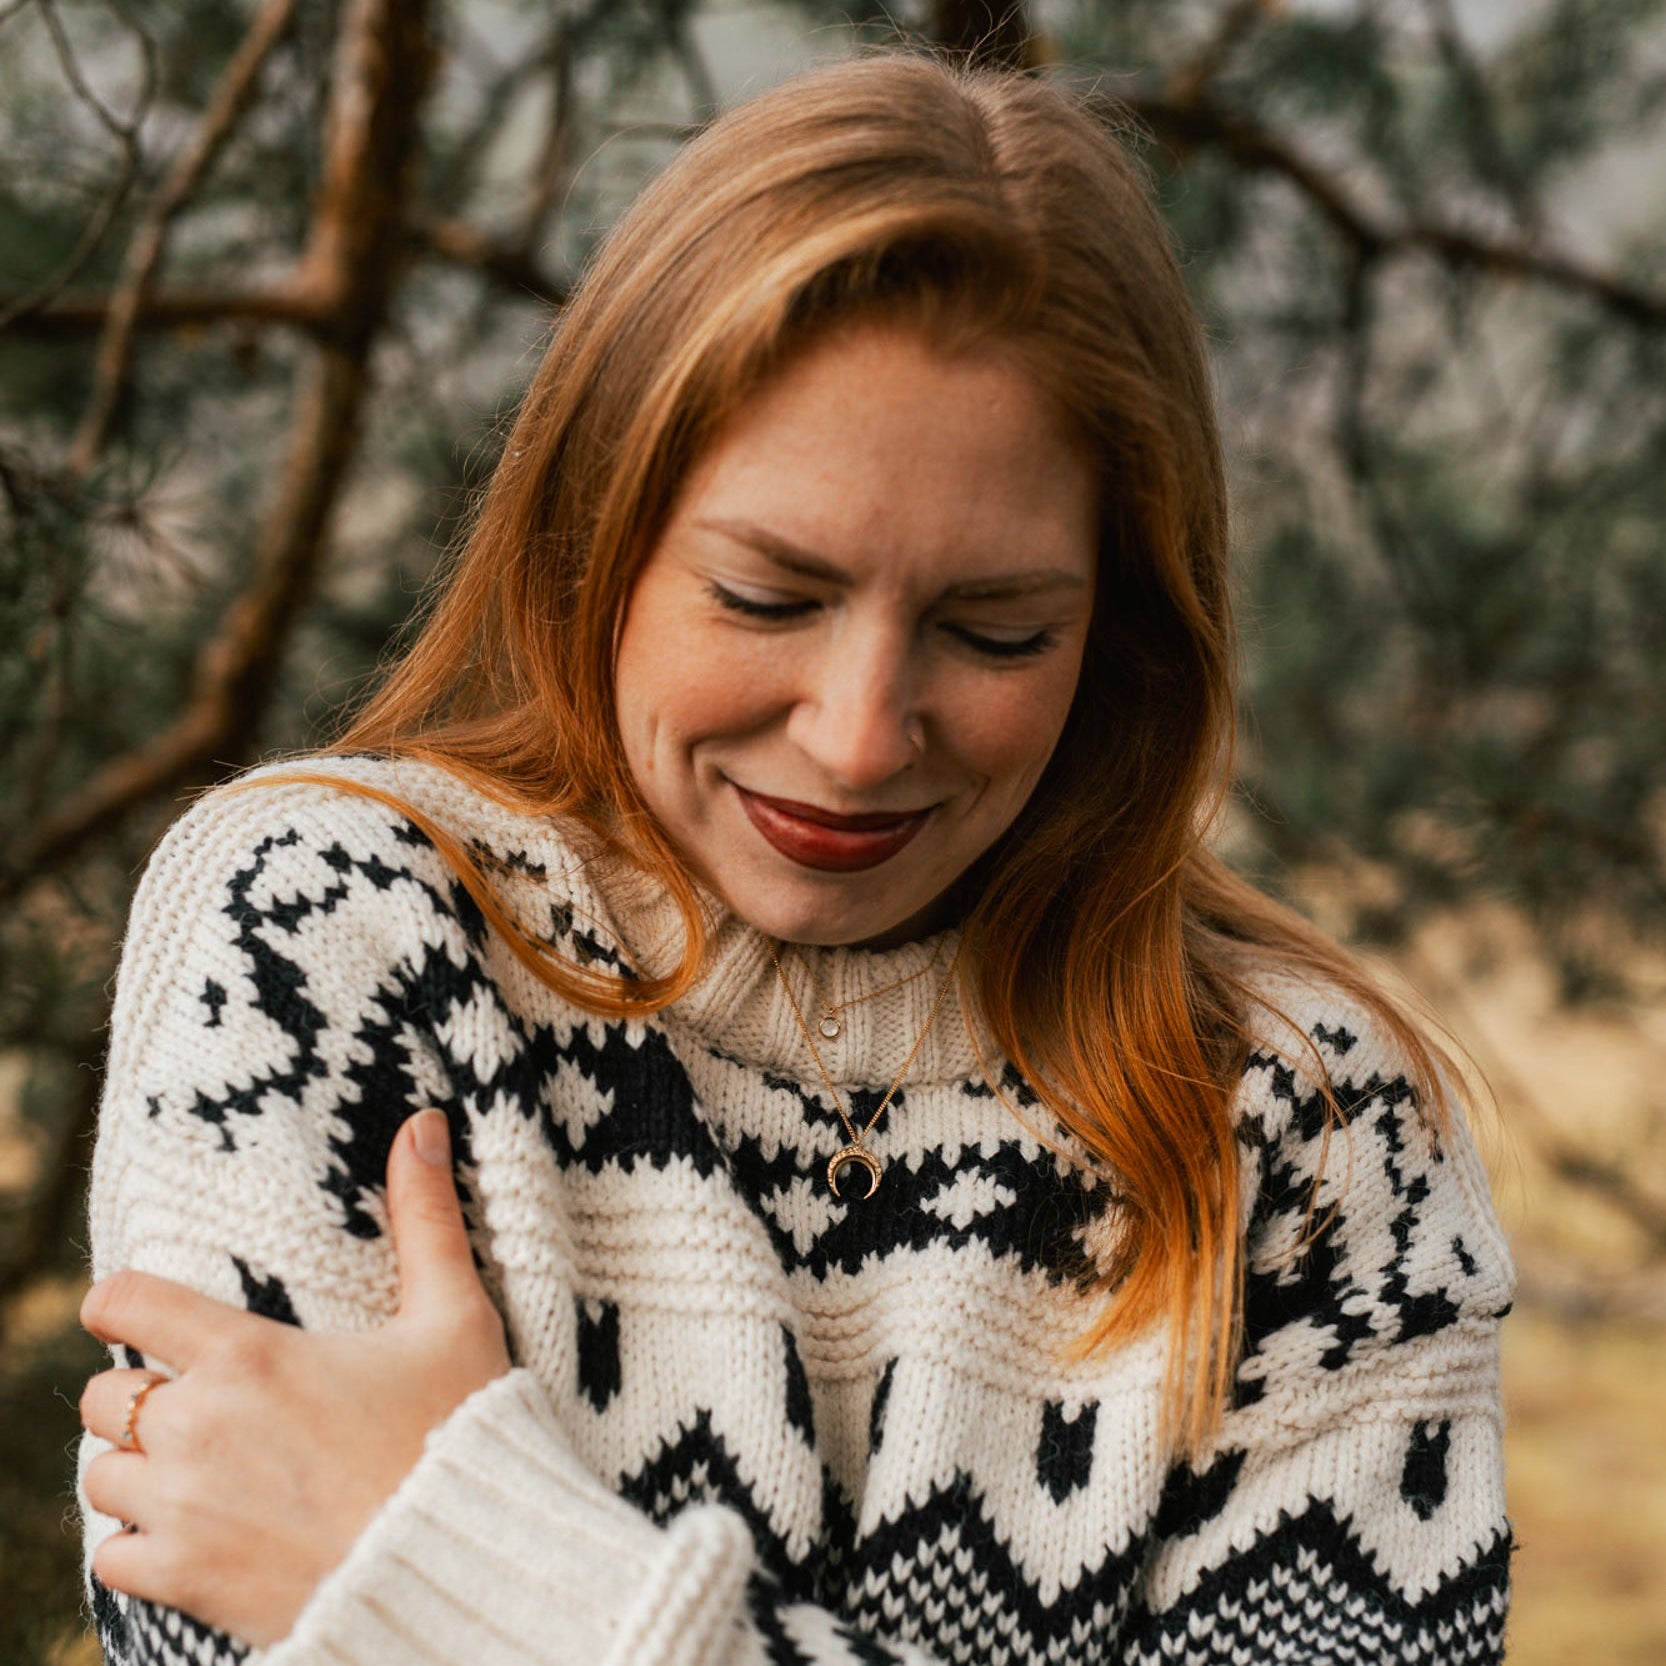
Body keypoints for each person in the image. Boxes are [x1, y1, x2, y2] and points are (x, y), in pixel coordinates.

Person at [74, 52, 1514, 1666]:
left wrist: (485, 1576)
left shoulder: (1306, 1127)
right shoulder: (332, 927)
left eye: (993, 628)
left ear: (1116, 630)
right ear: (598, 528)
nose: (856, 733)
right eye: (767, 596)